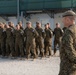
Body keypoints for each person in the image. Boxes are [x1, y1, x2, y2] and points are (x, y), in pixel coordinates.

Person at [59, 10, 76, 75]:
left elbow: (69, 49)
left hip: (68, 67)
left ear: (67, 19)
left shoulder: (69, 31)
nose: (62, 21)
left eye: (63, 19)